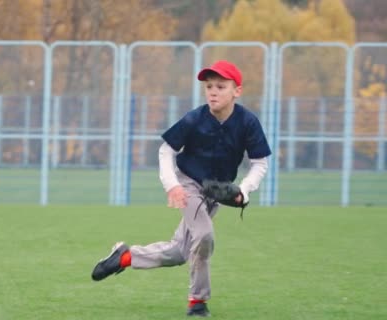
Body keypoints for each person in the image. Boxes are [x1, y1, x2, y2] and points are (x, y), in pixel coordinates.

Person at [91, 60, 272, 317]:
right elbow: (166, 151)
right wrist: (173, 186)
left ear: (237, 91)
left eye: (221, 86)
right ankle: (197, 302)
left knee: (179, 251)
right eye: (209, 86)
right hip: (189, 184)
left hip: (217, 191)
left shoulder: (247, 122)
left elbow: (260, 162)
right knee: (205, 235)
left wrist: (245, 188)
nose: (213, 91)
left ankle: (125, 257)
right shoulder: (194, 119)